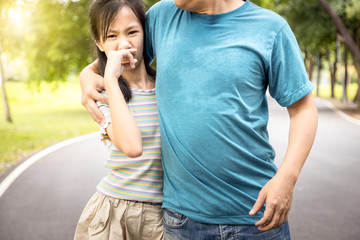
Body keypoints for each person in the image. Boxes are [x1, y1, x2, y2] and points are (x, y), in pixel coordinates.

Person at [80, 0, 318, 239]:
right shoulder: (162, 18)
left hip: (256, 215)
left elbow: (304, 109)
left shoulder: (270, 29)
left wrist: (287, 178)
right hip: (182, 222)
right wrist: (87, 74)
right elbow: (121, 48)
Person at [74, 0, 163, 239]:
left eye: (132, 32)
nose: (124, 43)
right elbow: (132, 147)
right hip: (115, 213)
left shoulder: (166, 86)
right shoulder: (103, 94)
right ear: (99, 43)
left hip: (166, 217)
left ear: (146, 33)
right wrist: (111, 79)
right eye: (111, 36)